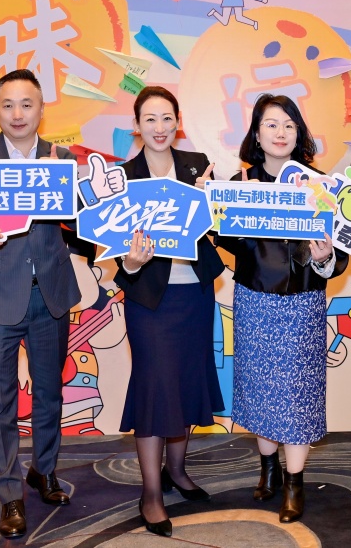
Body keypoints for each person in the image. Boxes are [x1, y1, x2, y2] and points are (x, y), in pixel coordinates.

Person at [0, 69, 89, 539]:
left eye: (27, 104)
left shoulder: (62, 161)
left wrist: (84, 194)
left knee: (49, 392)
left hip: (50, 294)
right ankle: (9, 493)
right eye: (7, 105)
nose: (18, 113)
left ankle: (43, 471)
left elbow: (83, 226)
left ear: (42, 109)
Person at [216, 94, 348, 523]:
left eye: (289, 125)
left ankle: (294, 482)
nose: (280, 133)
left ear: (299, 134)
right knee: (259, 388)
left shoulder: (321, 185)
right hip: (255, 299)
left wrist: (325, 256)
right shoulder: (240, 182)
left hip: (302, 302)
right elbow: (227, 241)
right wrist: (222, 209)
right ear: (257, 134)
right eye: (271, 124)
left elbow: (338, 257)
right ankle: (268, 468)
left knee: (297, 394)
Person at [115, 85, 226, 538]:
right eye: (150, 119)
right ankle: (151, 493)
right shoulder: (123, 177)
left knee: (185, 382)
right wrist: (130, 262)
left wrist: (210, 204)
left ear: (178, 122)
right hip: (149, 300)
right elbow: (105, 243)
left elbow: (220, 229)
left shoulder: (198, 166)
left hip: (194, 295)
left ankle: (177, 472)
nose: (159, 127)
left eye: (167, 118)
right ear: (136, 125)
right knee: (154, 387)